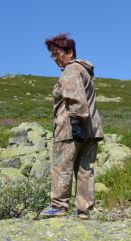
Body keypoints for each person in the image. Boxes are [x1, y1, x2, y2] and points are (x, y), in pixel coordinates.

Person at [40, 33, 104, 219]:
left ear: (69, 52)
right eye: (52, 55)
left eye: (56, 53)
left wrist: (75, 123)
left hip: (70, 130)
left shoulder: (71, 70)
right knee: (85, 170)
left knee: (62, 166)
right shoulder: (84, 71)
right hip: (91, 130)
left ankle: (59, 206)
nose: (54, 58)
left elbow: (76, 98)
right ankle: (84, 210)